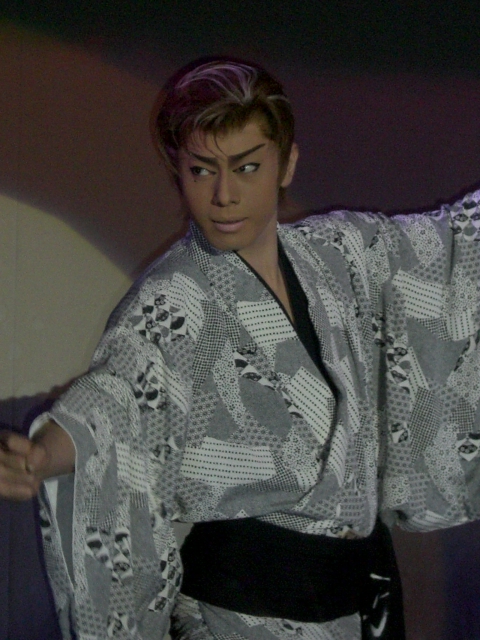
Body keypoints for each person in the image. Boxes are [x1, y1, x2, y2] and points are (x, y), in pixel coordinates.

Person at [1, 57, 480, 640]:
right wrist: (44, 452)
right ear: (178, 171)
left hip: (354, 603)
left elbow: (452, 251)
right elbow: (117, 397)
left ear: (286, 163)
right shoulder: (175, 300)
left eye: (246, 167)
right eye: (201, 170)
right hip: (237, 611)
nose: (224, 195)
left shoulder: (339, 255)